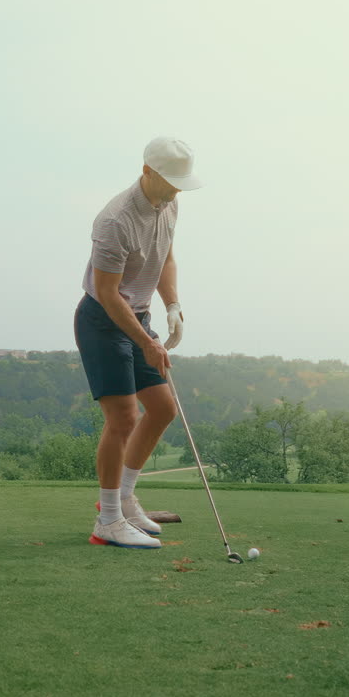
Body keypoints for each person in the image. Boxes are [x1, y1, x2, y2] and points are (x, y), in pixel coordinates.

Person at [74, 137, 203, 549]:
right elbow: (109, 295)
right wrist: (146, 342)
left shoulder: (169, 204)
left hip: (140, 316)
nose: (178, 189)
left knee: (163, 409)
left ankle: (126, 499)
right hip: (102, 321)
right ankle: (107, 520)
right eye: (171, 180)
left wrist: (173, 306)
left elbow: (165, 257)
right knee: (124, 418)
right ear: (147, 171)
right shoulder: (114, 220)